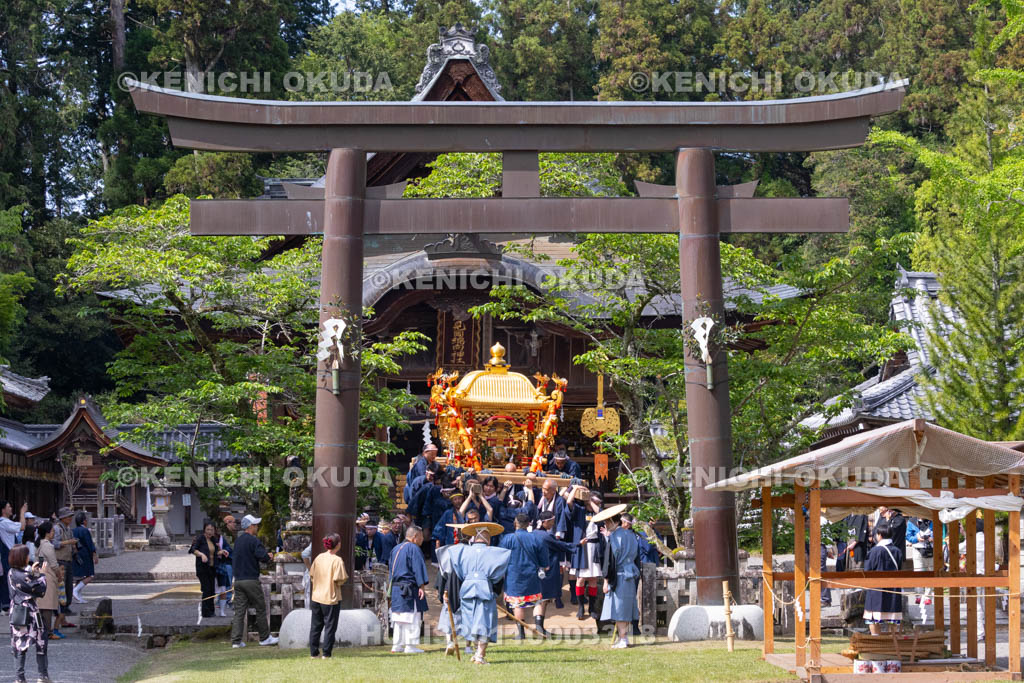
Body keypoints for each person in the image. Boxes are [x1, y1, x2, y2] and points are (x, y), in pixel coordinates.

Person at [447, 522, 512, 665]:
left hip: (466, 587)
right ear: (488, 539)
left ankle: (477, 653)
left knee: (470, 621)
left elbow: (455, 568)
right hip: (484, 587)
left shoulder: (461, 551)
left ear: (474, 538)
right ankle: (479, 656)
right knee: (484, 622)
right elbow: (498, 575)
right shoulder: (495, 552)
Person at [229, 514, 278, 647]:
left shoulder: (238, 541)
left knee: (239, 611)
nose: (257, 527)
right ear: (250, 526)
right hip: (250, 579)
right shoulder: (253, 540)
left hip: (238, 580)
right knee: (260, 608)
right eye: (255, 525)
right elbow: (262, 557)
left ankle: (236, 641)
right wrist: (269, 556)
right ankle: (264, 638)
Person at [499, 513, 550, 640]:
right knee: (537, 601)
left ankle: (521, 633)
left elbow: (500, 558)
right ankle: (539, 629)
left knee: (517, 603)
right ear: (528, 524)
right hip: (532, 575)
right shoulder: (537, 538)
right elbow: (545, 563)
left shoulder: (507, 539)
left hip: (513, 576)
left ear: (515, 523)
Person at [596, 504, 640, 648]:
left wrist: (606, 581)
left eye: (606, 522)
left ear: (612, 522)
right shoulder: (633, 535)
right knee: (626, 607)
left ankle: (623, 639)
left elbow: (610, 561)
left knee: (620, 608)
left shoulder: (615, 537)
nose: (605, 525)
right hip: (630, 575)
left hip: (619, 576)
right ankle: (623, 638)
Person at [7, 544, 50, 683]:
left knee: (19, 644)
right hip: (30, 612)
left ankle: (20, 678)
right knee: (41, 641)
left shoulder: (12, 573)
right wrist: (42, 574)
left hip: (17, 611)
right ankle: (42, 676)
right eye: (27, 555)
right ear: (22, 558)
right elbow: (39, 589)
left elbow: (27, 582)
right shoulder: (24, 575)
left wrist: (32, 572)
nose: (28, 558)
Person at [388, 525, 430, 654]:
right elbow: (418, 568)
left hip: (395, 587)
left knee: (399, 617)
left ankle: (397, 645)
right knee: (412, 616)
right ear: (415, 537)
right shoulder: (414, 548)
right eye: (422, 537)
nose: (423, 539)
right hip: (409, 587)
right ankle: (410, 646)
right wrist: (421, 586)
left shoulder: (395, 548)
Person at [308, 532, 348, 659]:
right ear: (338, 544)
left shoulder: (319, 557)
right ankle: (326, 653)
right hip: (330, 597)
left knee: (315, 625)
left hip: (316, 596)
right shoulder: (337, 560)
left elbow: (312, 574)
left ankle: (314, 652)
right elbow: (340, 579)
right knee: (330, 627)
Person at [533, 510, 573, 635]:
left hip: (536, 570)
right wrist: (577, 545)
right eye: (551, 522)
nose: (552, 524)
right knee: (542, 599)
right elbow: (560, 545)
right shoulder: (545, 536)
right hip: (544, 571)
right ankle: (539, 629)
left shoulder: (534, 533)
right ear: (545, 522)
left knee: (541, 600)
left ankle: (539, 628)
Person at [568, 489, 605, 620]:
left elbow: (600, 513)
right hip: (583, 546)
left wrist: (592, 501)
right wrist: (576, 490)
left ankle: (592, 607)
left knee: (593, 579)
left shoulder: (598, 512)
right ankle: (580, 606)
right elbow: (569, 501)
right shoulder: (579, 510)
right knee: (581, 579)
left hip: (595, 547)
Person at [864, 518, 903, 635]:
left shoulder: (875, 551)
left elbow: (867, 569)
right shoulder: (897, 551)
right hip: (894, 589)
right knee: (893, 617)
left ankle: (876, 640)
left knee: (873, 618)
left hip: (877, 589)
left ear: (879, 535)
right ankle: (893, 641)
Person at [51, 507, 78, 633]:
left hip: (68, 560)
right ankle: (59, 619)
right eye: (68, 516)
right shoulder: (57, 528)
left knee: (68, 589)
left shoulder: (68, 529)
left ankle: (63, 618)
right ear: (62, 518)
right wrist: (68, 542)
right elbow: (54, 544)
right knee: (61, 591)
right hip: (60, 561)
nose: (70, 518)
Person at [33, 523, 61, 642]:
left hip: (41, 574)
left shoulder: (40, 545)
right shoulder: (48, 546)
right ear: (48, 532)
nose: (53, 533)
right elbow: (54, 564)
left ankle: (40, 630)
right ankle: (48, 631)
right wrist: (59, 575)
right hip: (48, 576)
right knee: (47, 607)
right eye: (52, 531)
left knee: (42, 606)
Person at [189, 520, 222, 619]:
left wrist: (221, 551)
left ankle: (211, 611)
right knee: (206, 589)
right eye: (208, 529)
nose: (210, 532)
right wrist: (201, 554)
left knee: (212, 590)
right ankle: (205, 612)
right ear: (204, 530)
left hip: (212, 568)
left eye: (212, 530)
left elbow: (214, 553)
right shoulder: (200, 538)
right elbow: (192, 550)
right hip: (202, 568)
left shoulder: (214, 539)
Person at [0, 501, 28, 614]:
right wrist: (22, 512)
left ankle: (6, 604)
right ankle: (6, 605)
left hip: (8, 553)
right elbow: (22, 527)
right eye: (9, 506)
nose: (11, 508)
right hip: (8, 554)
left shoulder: (5, 522)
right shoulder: (4, 522)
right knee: (9, 580)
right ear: (3, 510)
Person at [71, 511, 97, 604]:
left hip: (76, 554)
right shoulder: (85, 530)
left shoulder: (73, 530)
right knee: (90, 575)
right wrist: (94, 554)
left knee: (80, 576)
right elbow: (89, 544)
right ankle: (75, 591)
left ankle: (79, 596)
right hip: (85, 554)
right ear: (84, 521)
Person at [214, 516, 235, 616]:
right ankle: (224, 600)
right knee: (226, 583)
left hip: (230, 561)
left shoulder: (230, 534)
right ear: (227, 523)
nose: (234, 524)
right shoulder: (223, 536)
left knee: (228, 582)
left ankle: (225, 600)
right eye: (232, 522)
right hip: (225, 562)